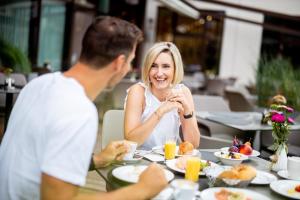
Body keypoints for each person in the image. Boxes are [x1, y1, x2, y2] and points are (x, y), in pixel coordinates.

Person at [0, 16, 167, 200]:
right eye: (130, 61)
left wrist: (98, 160)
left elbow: (41, 159)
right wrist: (141, 190)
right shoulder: (79, 111)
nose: (128, 68)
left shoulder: (39, 84)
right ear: (119, 63)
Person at [124, 42, 200, 150]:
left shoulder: (183, 92)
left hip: (169, 160)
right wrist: (160, 111)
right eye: (154, 66)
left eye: (166, 66)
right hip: (141, 159)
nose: (159, 73)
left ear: (175, 69)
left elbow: (193, 144)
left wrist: (187, 112)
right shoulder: (138, 91)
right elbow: (131, 141)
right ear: (147, 69)